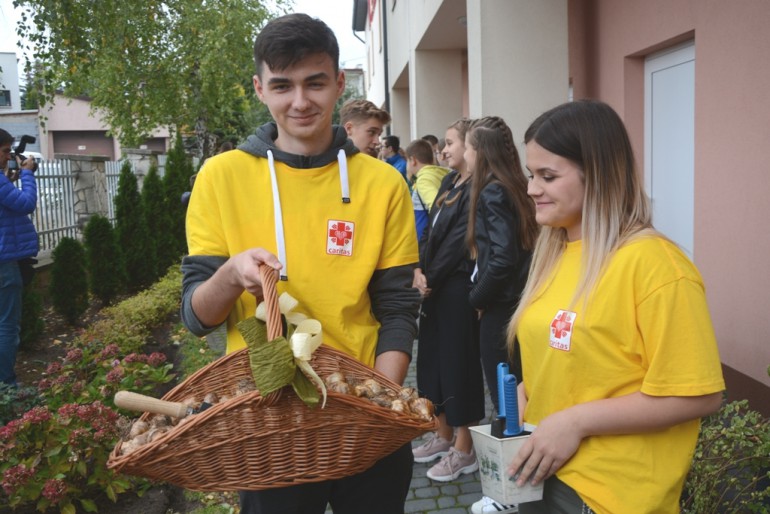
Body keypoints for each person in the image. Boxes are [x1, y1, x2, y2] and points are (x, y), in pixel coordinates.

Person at [180, 13, 420, 514]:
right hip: (268, 421)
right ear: (259, 89)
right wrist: (230, 274)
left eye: (315, 82)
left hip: (363, 413)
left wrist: (381, 402)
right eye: (282, 85)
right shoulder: (220, 178)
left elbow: (397, 307)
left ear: (338, 83)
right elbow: (197, 318)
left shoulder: (382, 184)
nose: (300, 101)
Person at [506, 100, 725, 513]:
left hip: (612, 496)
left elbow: (699, 394)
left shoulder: (656, 265)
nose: (532, 188)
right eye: (531, 174)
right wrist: (528, 392)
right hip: (544, 474)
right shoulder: (555, 250)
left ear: (599, 175)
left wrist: (574, 421)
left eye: (548, 176)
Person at [464, 117, 539, 514]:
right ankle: (519, 487)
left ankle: (507, 495)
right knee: (519, 395)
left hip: (500, 309)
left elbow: (503, 259)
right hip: (519, 305)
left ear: (481, 153)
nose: (462, 154)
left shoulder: (493, 192)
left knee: (506, 398)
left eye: (468, 148)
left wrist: (477, 298)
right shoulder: (515, 187)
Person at [411, 118, 485, 483]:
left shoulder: (477, 189)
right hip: (434, 287)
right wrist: (419, 270)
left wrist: (432, 279)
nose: (444, 149)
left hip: (455, 290)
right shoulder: (446, 181)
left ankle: (465, 447)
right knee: (433, 364)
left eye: (452, 142)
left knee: (458, 367)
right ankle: (441, 435)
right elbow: (430, 233)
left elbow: (458, 243)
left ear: (471, 147)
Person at [0, 128, 39, 387]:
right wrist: (26, 174)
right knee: (7, 326)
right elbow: (25, 204)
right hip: (4, 263)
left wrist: (10, 180)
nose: (7, 157)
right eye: (4, 151)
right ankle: (7, 386)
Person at [404, 138, 449, 244]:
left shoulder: (423, 180)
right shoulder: (442, 174)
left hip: (426, 240)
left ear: (413, 160)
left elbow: (436, 206)